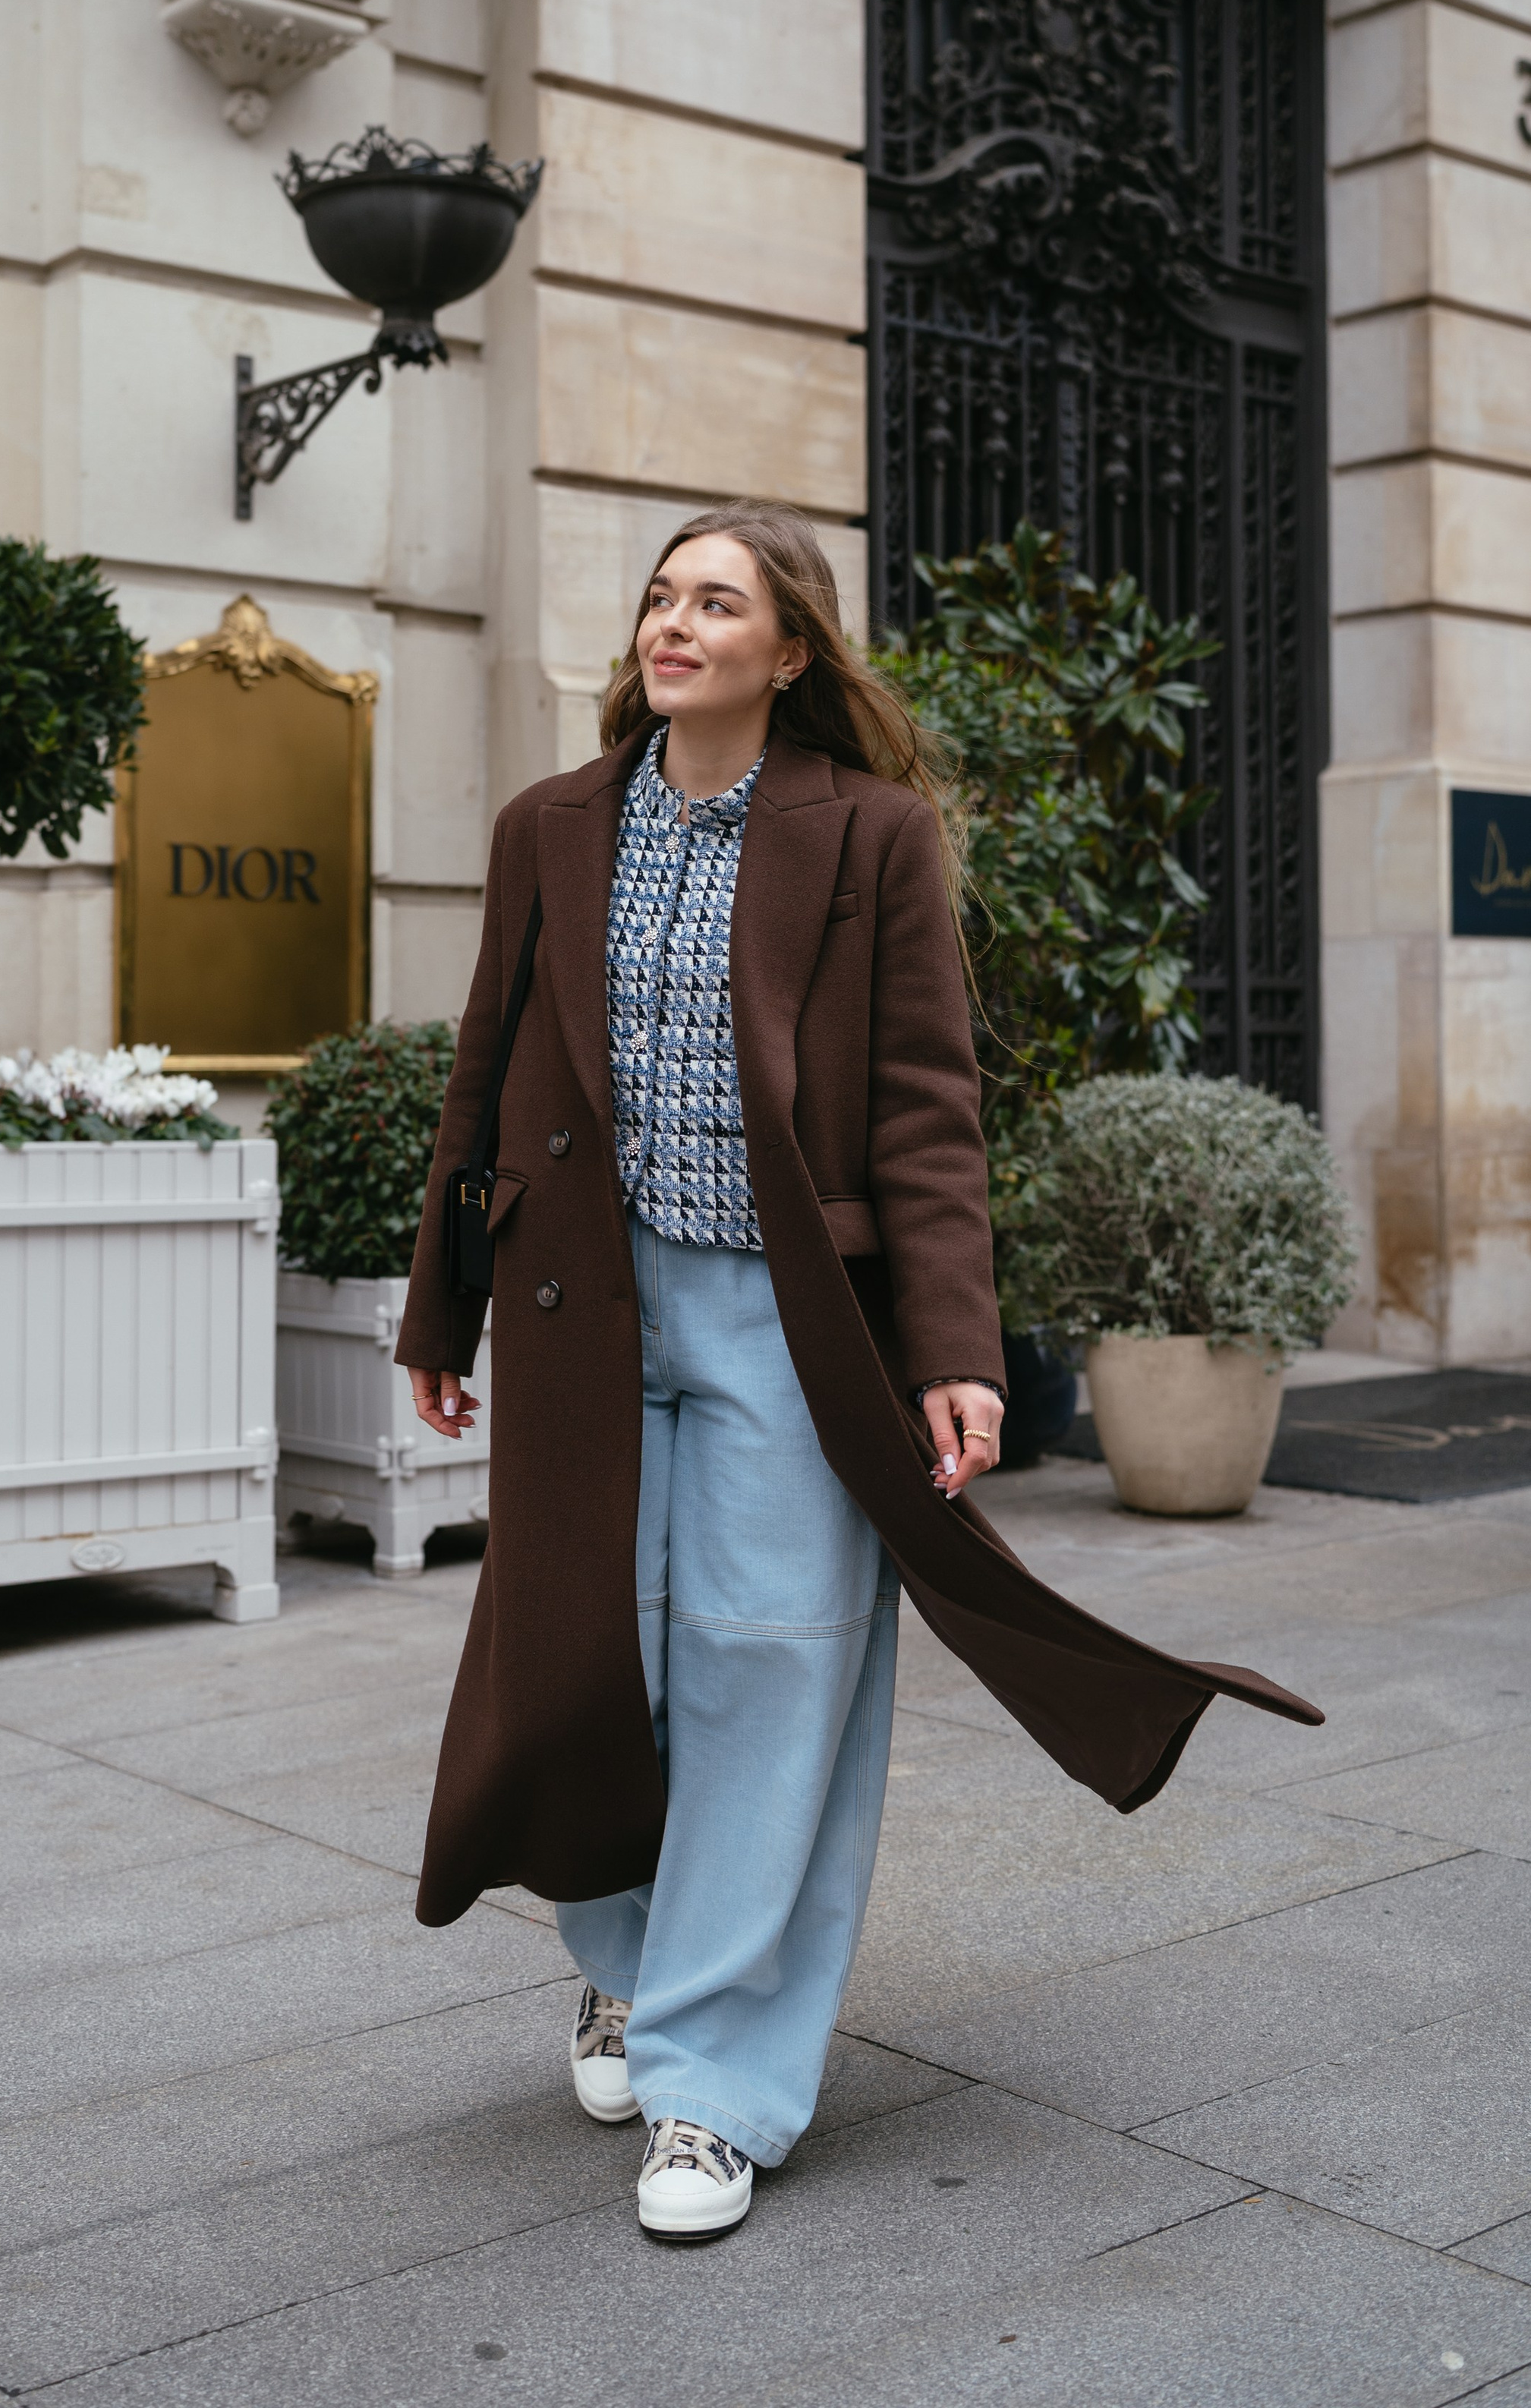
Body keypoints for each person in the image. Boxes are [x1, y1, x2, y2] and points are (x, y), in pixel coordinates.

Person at [398, 500, 1319, 2243]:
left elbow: (925, 1104)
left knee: (772, 1674)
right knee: (593, 1659)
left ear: (789, 649)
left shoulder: (872, 836)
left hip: (783, 1322)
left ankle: (712, 2091)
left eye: (715, 602)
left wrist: (951, 1351)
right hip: (577, 1315)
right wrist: (437, 1310)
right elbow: (484, 1067)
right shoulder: (549, 828)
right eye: (660, 597)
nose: (673, 623)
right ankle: (628, 1963)